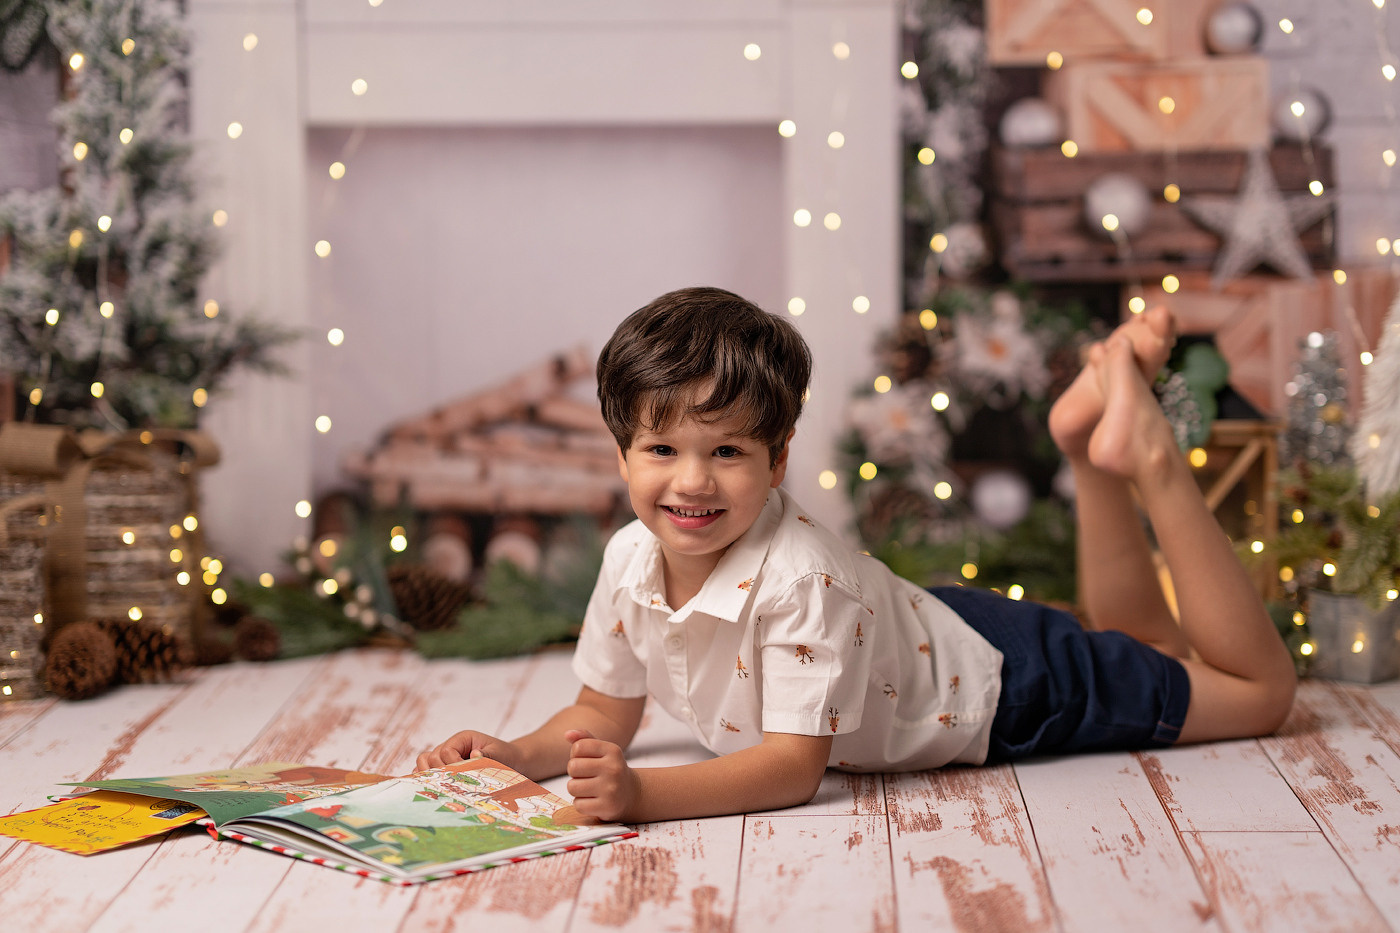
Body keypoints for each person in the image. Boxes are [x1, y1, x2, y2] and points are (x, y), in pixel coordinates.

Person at [417, 286, 1296, 823]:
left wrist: (644, 796)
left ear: (778, 460)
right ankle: (1083, 442)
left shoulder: (802, 579)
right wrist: (513, 754)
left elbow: (792, 768)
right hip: (923, 634)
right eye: (661, 449)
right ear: (621, 455)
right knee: (1148, 649)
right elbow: (601, 711)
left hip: (1007, 686)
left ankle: (1149, 460)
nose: (692, 481)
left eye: (727, 451)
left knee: (1258, 694)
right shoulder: (628, 559)